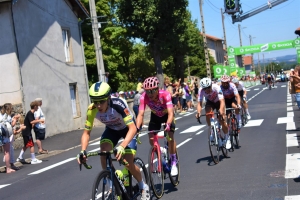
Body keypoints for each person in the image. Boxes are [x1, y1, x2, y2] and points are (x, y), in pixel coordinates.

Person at [77, 82, 150, 200]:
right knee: (103, 152)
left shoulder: (118, 105)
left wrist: (122, 146)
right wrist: (83, 151)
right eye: (95, 102)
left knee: (127, 162)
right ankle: (113, 185)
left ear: (108, 98)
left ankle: (143, 186)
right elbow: (86, 133)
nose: (98, 105)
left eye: (101, 101)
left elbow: (133, 128)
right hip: (112, 130)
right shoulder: (91, 110)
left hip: (127, 129)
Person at [136, 77, 178, 176]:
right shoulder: (143, 97)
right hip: (155, 116)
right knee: (151, 138)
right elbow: (140, 114)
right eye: (147, 91)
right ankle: (160, 150)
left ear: (157, 89)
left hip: (167, 115)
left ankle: (173, 162)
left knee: (170, 137)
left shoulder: (165, 94)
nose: (150, 94)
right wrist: (137, 128)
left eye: (152, 91)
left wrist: (168, 124)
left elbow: (171, 113)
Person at [195, 77, 231, 149]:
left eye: (208, 87)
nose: (207, 90)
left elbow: (222, 101)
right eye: (205, 88)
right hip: (210, 102)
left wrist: (221, 110)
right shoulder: (201, 90)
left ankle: (227, 138)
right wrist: (198, 112)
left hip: (219, 101)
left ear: (211, 85)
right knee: (208, 112)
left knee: (222, 120)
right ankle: (211, 129)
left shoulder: (216, 87)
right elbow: (199, 103)